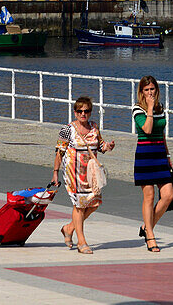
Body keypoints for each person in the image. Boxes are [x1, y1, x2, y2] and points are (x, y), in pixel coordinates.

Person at [52, 96, 114, 255]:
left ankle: (69, 228)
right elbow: (59, 152)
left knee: (94, 203)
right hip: (74, 172)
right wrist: (55, 173)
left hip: (91, 173)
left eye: (86, 111)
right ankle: (81, 242)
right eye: (79, 111)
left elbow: (100, 146)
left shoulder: (94, 127)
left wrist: (108, 146)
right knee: (79, 205)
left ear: (90, 112)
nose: (83, 114)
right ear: (75, 112)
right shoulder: (67, 129)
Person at [133, 76, 173, 253]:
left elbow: (161, 132)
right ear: (141, 92)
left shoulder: (161, 108)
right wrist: (149, 108)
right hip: (145, 155)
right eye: (146, 89)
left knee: (168, 195)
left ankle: (147, 226)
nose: (150, 92)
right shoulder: (137, 109)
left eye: (152, 89)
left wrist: (168, 154)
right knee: (149, 196)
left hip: (159, 154)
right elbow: (148, 129)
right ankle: (150, 235)